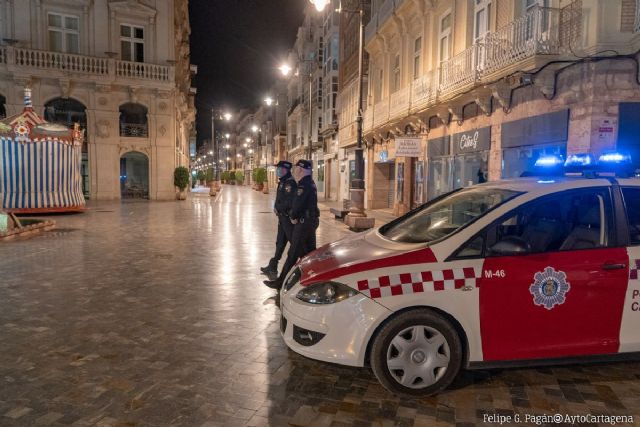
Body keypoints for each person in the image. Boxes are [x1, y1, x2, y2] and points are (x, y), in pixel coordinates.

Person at [264, 159, 319, 290]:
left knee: (293, 253)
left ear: (300, 170)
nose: (294, 171)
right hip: (309, 222)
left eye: (296, 169)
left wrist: (293, 216)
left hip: (303, 223)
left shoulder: (303, 186)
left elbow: (297, 204)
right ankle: (315, 277)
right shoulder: (310, 183)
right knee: (309, 252)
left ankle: (281, 282)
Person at [260, 161, 297, 279]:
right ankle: (273, 266)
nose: (277, 171)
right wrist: (276, 207)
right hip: (282, 218)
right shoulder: (282, 182)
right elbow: (279, 199)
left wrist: (279, 208)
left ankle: (299, 268)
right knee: (280, 243)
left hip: (288, 219)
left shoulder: (290, 183)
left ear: (286, 169)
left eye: (279, 169)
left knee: (295, 245)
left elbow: (290, 202)